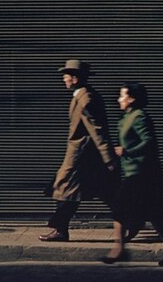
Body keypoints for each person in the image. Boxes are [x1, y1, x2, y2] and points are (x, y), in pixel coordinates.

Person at [102, 82, 163, 265]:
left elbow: (149, 142)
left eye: (122, 95)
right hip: (135, 171)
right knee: (154, 214)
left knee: (119, 208)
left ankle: (119, 249)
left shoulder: (139, 117)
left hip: (143, 173)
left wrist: (127, 151)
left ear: (132, 99)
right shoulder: (127, 117)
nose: (118, 99)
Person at [40, 59, 117, 242]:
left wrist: (109, 158)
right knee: (102, 191)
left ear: (75, 78)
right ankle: (130, 218)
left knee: (67, 190)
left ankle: (60, 229)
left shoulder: (85, 98)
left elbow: (97, 130)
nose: (63, 79)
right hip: (81, 153)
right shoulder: (81, 95)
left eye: (66, 76)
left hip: (81, 155)